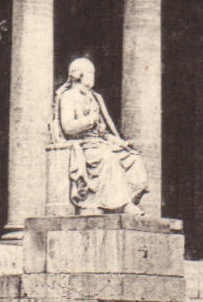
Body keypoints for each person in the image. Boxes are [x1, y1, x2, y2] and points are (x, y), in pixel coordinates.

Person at [53, 57, 148, 215]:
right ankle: (122, 205)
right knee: (108, 157)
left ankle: (127, 201)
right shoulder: (69, 96)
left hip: (99, 143)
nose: (93, 76)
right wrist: (89, 120)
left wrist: (121, 142)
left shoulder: (95, 98)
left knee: (132, 157)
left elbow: (103, 132)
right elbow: (68, 127)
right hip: (83, 144)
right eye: (90, 73)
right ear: (79, 75)